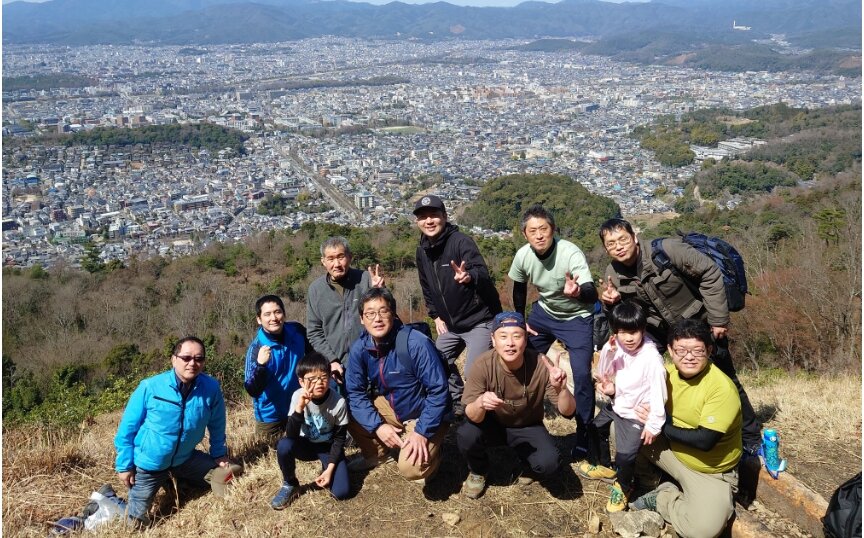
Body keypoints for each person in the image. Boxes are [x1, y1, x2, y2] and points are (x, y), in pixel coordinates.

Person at [597, 217, 761, 456]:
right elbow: (627, 316)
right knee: (652, 375)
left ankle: (749, 435)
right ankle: (660, 422)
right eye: (611, 244)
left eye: (623, 239)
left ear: (634, 237)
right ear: (606, 249)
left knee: (725, 376)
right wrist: (611, 303)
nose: (619, 246)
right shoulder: (613, 273)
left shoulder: (667, 251)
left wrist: (718, 320)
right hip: (662, 331)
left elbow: (710, 273)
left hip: (700, 323)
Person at [629, 319, 742, 538]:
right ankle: (650, 481)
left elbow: (705, 440)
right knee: (625, 427)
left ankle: (662, 497)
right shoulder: (665, 375)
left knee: (703, 530)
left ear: (709, 350)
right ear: (670, 350)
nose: (688, 357)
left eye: (697, 350)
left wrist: (659, 425)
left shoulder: (721, 388)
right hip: (672, 452)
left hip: (710, 469)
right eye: (681, 350)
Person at [114, 336, 241, 526]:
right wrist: (124, 465)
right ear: (174, 359)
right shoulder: (150, 387)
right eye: (186, 358)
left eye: (199, 359)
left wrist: (219, 454)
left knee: (229, 474)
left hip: (185, 459)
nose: (193, 363)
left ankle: (175, 482)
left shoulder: (211, 388)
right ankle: (107, 502)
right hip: (150, 464)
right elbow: (127, 429)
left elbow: (217, 424)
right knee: (134, 522)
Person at [508, 204, 597, 459]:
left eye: (543, 229)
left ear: (553, 230)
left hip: (577, 318)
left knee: (581, 374)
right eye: (532, 230)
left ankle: (584, 433)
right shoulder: (523, 255)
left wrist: (578, 292)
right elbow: (519, 287)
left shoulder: (570, 253)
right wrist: (518, 319)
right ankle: (522, 421)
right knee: (520, 358)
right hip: (544, 314)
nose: (539, 235)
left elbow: (592, 294)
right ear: (525, 234)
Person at [457, 311, 576, 499]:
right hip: (492, 424)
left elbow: (568, 412)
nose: (510, 343)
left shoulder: (541, 364)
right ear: (493, 340)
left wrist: (562, 389)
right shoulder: (482, 365)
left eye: (517, 336)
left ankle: (527, 461)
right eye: (503, 337)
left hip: (527, 426)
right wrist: (480, 403)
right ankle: (479, 470)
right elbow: (471, 414)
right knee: (466, 433)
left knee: (549, 464)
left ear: (526, 339)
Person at [344, 287, 451, 483]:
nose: (377, 318)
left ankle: (435, 448)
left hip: (423, 413)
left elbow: (438, 391)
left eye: (383, 311)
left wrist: (421, 432)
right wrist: (377, 427)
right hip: (393, 408)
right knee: (346, 408)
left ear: (393, 314)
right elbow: (355, 393)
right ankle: (376, 454)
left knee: (411, 470)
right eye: (370, 313)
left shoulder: (415, 343)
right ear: (362, 319)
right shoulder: (360, 348)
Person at [413, 195, 502, 414]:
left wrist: (469, 276)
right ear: (417, 222)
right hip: (451, 325)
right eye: (423, 217)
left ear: (444, 216)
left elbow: (482, 272)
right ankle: (458, 400)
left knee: (475, 373)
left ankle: (484, 415)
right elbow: (426, 286)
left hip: (479, 320)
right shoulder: (422, 250)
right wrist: (435, 315)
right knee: (433, 362)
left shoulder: (461, 242)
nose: (429, 221)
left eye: (434, 215)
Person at [577, 302, 667, 513]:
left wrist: (654, 424)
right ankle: (606, 468)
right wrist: (608, 352)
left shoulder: (651, 358)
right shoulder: (618, 347)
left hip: (635, 413)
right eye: (622, 332)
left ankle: (624, 485)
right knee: (595, 427)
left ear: (643, 330)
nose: (628, 338)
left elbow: (659, 393)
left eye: (633, 332)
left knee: (625, 456)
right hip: (618, 402)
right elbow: (604, 371)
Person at [271, 352, 350, 509]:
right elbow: (291, 435)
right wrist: (300, 408)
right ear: (301, 381)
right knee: (284, 445)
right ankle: (290, 484)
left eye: (323, 377)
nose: (319, 383)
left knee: (341, 492)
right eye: (312, 379)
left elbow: (340, 439)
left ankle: (330, 466)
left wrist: (330, 469)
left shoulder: (338, 402)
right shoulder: (297, 396)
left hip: (328, 447)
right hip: (306, 444)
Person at [307, 236, 385, 383]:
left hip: (371, 361)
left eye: (341, 257)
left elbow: (388, 316)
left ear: (350, 257)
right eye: (330, 259)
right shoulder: (316, 290)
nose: (336, 264)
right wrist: (331, 360)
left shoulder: (366, 280)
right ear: (323, 261)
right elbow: (314, 331)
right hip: (336, 368)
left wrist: (381, 292)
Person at [244, 294, 311, 441]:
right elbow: (251, 389)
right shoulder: (256, 348)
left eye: (277, 312)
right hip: (270, 415)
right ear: (259, 319)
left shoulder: (297, 331)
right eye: (267, 314)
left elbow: (313, 354)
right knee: (267, 450)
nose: (273, 318)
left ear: (284, 314)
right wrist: (261, 366)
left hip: (298, 406)